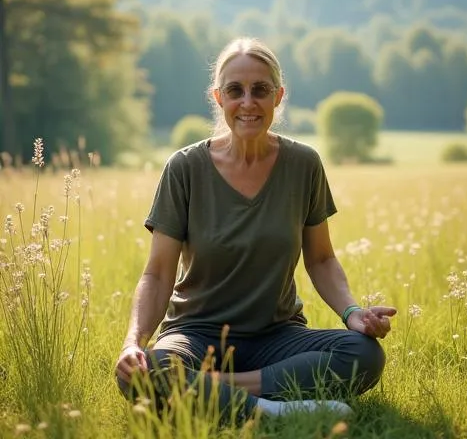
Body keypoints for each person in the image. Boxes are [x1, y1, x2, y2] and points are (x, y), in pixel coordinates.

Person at [115, 38, 395, 423]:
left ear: (278, 96)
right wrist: (134, 343)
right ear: (218, 97)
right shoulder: (184, 168)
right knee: (149, 369)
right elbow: (158, 273)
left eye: (260, 90)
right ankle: (274, 412)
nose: (248, 102)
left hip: (277, 336)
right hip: (196, 334)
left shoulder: (303, 164)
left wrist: (352, 313)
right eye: (235, 91)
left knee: (364, 355)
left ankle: (211, 392)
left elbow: (322, 258)